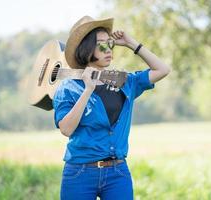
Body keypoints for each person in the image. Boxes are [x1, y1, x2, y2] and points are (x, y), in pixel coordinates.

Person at [53, 16, 171, 200]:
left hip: (117, 173)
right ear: (86, 49)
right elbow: (66, 129)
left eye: (110, 44)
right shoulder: (68, 87)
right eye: (101, 45)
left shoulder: (125, 82)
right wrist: (88, 90)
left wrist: (130, 43)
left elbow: (163, 70)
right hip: (79, 173)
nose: (108, 49)